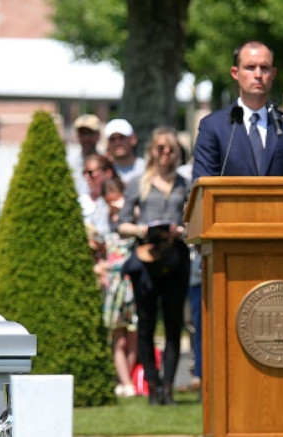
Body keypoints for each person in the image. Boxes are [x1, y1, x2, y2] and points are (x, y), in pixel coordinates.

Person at [118, 127, 190, 405]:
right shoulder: (139, 182)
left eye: (170, 148)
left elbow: (194, 223)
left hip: (175, 258)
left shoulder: (185, 184)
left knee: (173, 326)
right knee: (146, 326)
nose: (165, 153)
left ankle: (168, 388)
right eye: (160, 148)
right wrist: (141, 230)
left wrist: (180, 232)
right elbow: (121, 224)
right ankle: (153, 386)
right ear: (152, 151)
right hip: (146, 259)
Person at [191, 40, 283, 180]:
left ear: (273, 74)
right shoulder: (213, 127)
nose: (258, 74)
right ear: (235, 73)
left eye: (265, 68)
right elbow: (203, 188)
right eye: (250, 67)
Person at [90, 176, 139, 398]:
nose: (114, 206)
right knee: (118, 337)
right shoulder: (103, 223)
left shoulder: (132, 216)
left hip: (132, 283)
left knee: (134, 335)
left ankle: (126, 381)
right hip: (114, 285)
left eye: (117, 200)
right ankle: (125, 382)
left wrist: (126, 210)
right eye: (109, 201)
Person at [68, 113, 103, 196]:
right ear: (78, 136)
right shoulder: (69, 164)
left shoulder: (106, 162)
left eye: (90, 133)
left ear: (98, 135)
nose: (87, 138)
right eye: (83, 133)